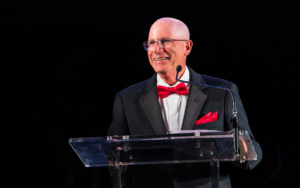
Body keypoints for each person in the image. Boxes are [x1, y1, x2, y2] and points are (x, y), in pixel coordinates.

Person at [107, 17, 262, 188]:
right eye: (151, 43)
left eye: (165, 41)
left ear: (187, 47)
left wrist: (243, 149)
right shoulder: (127, 98)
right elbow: (114, 156)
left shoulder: (223, 92)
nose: (156, 50)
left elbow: (251, 154)